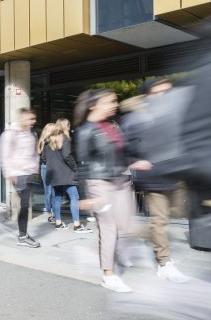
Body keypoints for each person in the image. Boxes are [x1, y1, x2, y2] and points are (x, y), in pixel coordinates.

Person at [74, 88, 151, 293]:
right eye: (110, 101)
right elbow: (81, 164)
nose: (115, 105)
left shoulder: (112, 125)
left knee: (126, 225)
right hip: (100, 183)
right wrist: (84, 197)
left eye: (115, 101)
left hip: (122, 181)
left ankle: (110, 253)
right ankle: (108, 275)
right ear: (94, 105)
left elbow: (121, 154)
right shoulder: (85, 130)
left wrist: (134, 163)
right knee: (108, 229)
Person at [121, 78, 189, 283]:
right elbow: (124, 148)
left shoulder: (173, 113)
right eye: (158, 92)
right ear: (148, 95)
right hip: (153, 177)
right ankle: (164, 263)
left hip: (175, 175)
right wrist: (135, 161)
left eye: (167, 91)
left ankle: (129, 235)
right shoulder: (135, 119)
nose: (163, 96)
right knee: (160, 222)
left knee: (178, 213)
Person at [0, 108, 41, 248]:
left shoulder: (31, 134)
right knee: (24, 205)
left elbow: (35, 154)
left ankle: (23, 234)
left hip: (28, 173)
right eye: (30, 119)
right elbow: (5, 155)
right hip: (18, 173)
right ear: (22, 119)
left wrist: (35, 168)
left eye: (33, 119)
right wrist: (9, 173)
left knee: (25, 205)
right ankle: (22, 236)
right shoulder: (10, 134)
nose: (33, 121)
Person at [47, 119, 91, 233]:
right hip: (66, 174)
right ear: (65, 126)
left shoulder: (50, 139)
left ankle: (58, 223)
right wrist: (74, 167)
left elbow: (44, 157)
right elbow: (67, 156)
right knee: (74, 197)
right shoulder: (64, 139)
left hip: (54, 175)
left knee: (57, 198)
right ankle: (77, 225)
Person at [38, 123, 55, 220]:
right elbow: (44, 157)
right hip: (46, 167)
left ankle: (52, 213)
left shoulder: (45, 141)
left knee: (51, 192)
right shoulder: (46, 142)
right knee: (49, 192)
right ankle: (49, 214)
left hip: (46, 167)